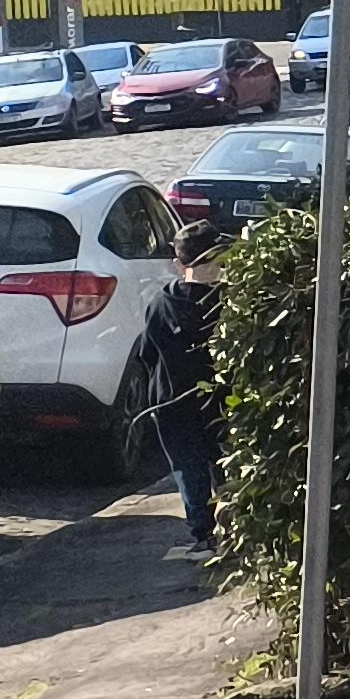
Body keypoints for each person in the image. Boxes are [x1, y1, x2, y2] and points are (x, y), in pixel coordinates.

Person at [148, 219, 226, 548]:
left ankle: (202, 532)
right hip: (219, 398)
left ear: (180, 263)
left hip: (172, 399)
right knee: (222, 461)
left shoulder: (164, 303)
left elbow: (148, 351)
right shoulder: (229, 301)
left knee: (188, 466)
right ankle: (230, 524)